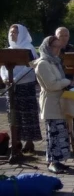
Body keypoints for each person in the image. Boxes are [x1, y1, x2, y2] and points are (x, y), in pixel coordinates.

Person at [33, 36, 74, 173]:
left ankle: (58, 161)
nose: (58, 50)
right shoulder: (43, 63)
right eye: (55, 46)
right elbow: (52, 85)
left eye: (60, 47)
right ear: (47, 47)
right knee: (53, 134)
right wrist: (68, 82)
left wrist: (70, 83)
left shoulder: (54, 62)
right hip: (51, 103)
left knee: (61, 133)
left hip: (59, 101)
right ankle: (52, 162)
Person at [0, 24, 42, 155]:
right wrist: (5, 78)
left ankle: (29, 142)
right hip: (11, 86)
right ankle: (16, 140)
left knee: (27, 114)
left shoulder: (29, 49)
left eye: (15, 32)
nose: (13, 34)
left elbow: (29, 66)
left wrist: (15, 79)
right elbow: (2, 67)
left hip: (25, 85)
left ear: (22, 33)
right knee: (13, 114)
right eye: (11, 32)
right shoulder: (7, 50)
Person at [55, 27, 74, 144]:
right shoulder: (53, 51)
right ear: (56, 37)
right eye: (61, 35)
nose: (64, 38)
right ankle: (64, 138)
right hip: (58, 84)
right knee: (61, 113)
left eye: (66, 35)